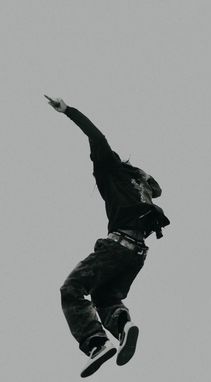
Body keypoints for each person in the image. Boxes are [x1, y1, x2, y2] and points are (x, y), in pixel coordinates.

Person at [45, 95, 170, 378]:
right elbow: (157, 189)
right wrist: (142, 175)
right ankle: (123, 326)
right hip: (137, 254)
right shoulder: (139, 185)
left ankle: (96, 344)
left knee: (72, 289)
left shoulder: (109, 169)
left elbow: (97, 137)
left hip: (117, 246)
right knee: (104, 297)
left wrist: (68, 111)